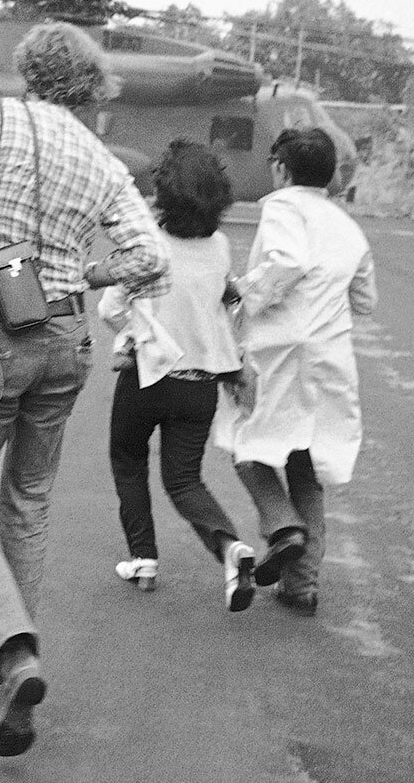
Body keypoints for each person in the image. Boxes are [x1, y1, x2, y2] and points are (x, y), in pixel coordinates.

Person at [0, 22, 168, 758]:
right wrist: (83, 275)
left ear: (26, 68)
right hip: (68, 345)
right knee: (27, 499)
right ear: (88, 87)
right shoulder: (102, 156)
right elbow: (149, 258)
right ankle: (4, 667)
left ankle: (11, 652)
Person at [215, 127, 377, 618]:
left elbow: (288, 261)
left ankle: (282, 526)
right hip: (330, 355)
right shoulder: (347, 225)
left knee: (249, 444)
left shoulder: (283, 205)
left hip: (280, 348)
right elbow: (366, 300)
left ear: (281, 169)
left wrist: (242, 290)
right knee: (306, 463)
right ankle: (301, 586)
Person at [95, 140, 255, 611]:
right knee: (185, 480)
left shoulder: (148, 245)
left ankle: (142, 557)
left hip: (147, 378)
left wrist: (134, 332)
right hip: (199, 386)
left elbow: (110, 309)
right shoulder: (221, 247)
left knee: (128, 459)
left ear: (164, 194)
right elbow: (223, 302)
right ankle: (230, 548)